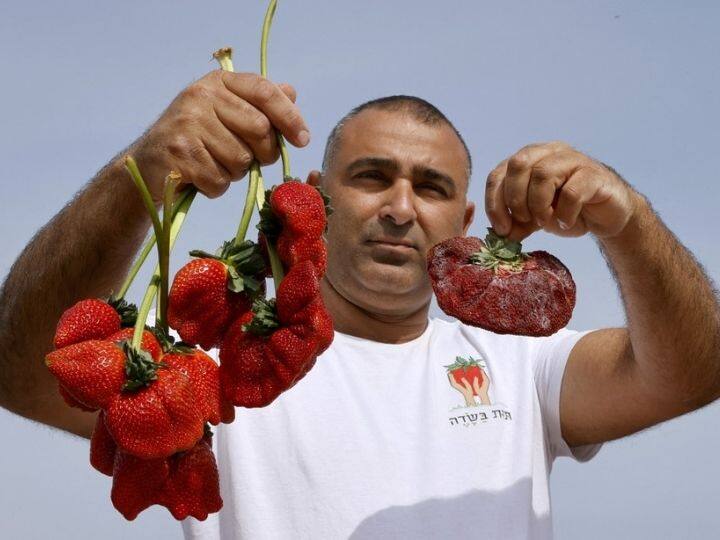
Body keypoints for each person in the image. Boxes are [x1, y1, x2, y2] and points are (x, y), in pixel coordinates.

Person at [0, 69, 718, 540]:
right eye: (373, 177)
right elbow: (22, 369)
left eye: (431, 188)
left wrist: (628, 222)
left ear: (465, 222)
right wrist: (145, 174)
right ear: (317, 196)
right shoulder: (211, 355)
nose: (401, 209)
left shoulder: (521, 365)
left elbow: (693, 371)